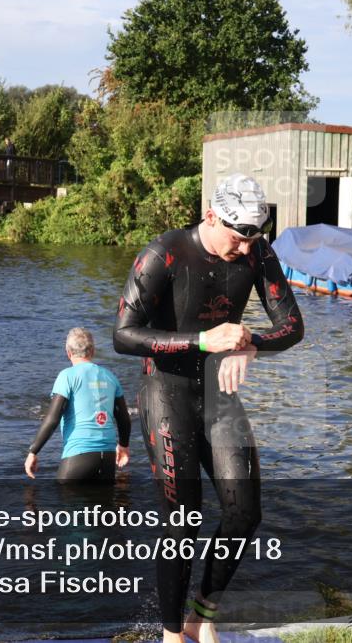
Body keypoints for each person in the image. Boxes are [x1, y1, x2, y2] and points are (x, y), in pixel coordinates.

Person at [113, 173, 304, 643]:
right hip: (165, 392)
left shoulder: (257, 252)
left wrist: (250, 343)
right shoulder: (164, 253)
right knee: (184, 519)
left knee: (244, 512)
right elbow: (123, 336)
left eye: (253, 239)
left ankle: (203, 615)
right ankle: (172, 633)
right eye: (238, 238)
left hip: (219, 396)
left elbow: (293, 325)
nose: (244, 250)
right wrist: (202, 339)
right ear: (211, 216)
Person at [25, 328, 131, 482]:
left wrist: (33, 452)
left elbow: (53, 419)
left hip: (78, 456)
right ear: (93, 351)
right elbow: (124, 419)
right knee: (104, 505)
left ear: (68, 352)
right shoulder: (110, 376)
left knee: (62, 502)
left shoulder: (67, 376)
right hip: (108, 458)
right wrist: (123, 446)